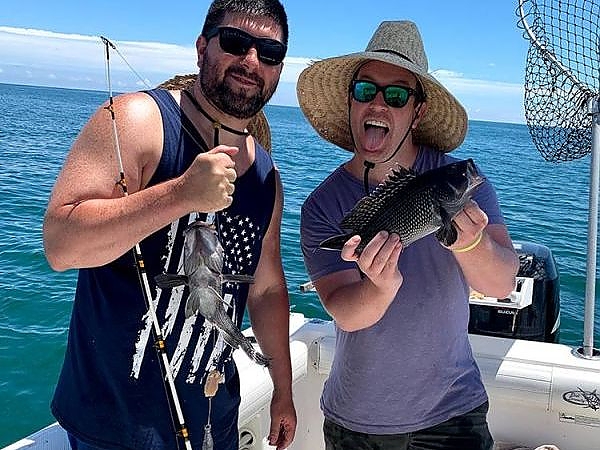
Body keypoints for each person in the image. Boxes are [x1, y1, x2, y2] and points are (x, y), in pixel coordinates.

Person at [43, 1, 296, 449]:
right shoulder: (139, 121)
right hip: (114, 431)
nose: (251, 61)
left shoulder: (267, 176)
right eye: (235, 42)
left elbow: (268, 289)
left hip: (215, 424)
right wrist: (180, 194)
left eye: (269, 52)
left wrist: (284, 391)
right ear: (201, 48)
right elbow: (62, 244)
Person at [297, 20, 519, 450]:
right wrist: (381, 287)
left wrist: (471, 244)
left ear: (416, 111)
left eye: (396, 95)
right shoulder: (322, 206)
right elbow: (346, 312)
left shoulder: (463, 182)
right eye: (366, 91)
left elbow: (502, 283)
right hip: (356, 422)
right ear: (350, 102)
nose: (379, 104)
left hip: (455, 414)